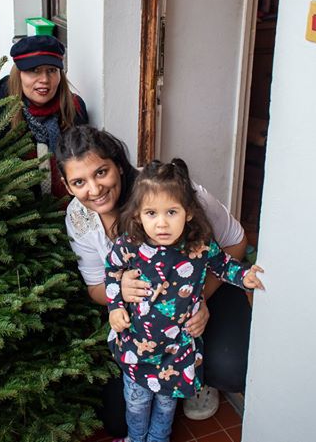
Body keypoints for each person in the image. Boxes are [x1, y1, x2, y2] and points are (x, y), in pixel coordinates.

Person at [56, 126, 253, 436]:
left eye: (101, 172)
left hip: (200, 291)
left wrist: (199, 298)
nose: (94, 189)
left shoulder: (170, 192)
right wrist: (118, 292)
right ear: (68, 186)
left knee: (231, 367)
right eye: (80, 182)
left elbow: (236, 244)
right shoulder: (78, 218)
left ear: (118, 166)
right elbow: (96, 287)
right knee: (120, 419)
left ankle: (199, 376)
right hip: (145, 327)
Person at [105, 159, 264, 442]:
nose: (162, 223)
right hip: (138, 349)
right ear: (139, 214)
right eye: (151, 213)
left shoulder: (199, 246)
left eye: (171, 212)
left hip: (177, 353)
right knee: (136, 403)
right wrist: (116, 305)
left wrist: (245, 276)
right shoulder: (130, 244)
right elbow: (112, 272)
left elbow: (225, 265)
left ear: (188, 213)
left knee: (166, 407)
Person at [0, 35, 88, 198]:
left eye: (52, 70)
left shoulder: (74, 108)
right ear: (19, 75)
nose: (44, 80)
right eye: (34, 70)